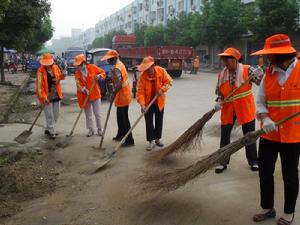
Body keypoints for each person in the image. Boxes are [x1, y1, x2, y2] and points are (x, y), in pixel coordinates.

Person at [251, 34, 300, 225]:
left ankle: (289, 212)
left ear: (281, 54)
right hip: (269, 133)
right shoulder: (268, 75)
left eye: (270, 54)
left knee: (290, 174)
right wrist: (266, 117)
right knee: (265, 171)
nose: (267, 58)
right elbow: (260, 102)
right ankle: (267, 207)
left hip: (293, 135)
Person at [214, 47, 263, 173]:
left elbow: (263, 83)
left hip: (245, 107)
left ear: (235, 60)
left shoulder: (248, 70)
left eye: (227, 60)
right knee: (225, 136)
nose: (225, 63)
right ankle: (222, 162)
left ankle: (253, 161)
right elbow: (220, 92)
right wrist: (219, 101)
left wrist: (261, 74)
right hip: (228, 109)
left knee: (249, 135)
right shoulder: (222, 75)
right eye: (223, 60)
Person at [136, 56, 172, 151]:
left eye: (148, 68)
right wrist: (142, 104)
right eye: (145, 69)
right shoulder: (143, 76)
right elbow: (140, 92)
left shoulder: (161, 71)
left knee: (159, 120)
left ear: (153, 66)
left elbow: (169, 82)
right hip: (147, 103)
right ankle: (151, 141)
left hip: (159, 101)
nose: (147, 71)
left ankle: (157, 139)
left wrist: (162, 89)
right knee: (149, 122)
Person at [101, 50, 135, 147]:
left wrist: (113, 94)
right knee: (120, 117)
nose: (108, 62)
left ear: (114, 58)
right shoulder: (118, 65)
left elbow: (119, 84)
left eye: (109, 59)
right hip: (122, 95)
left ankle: (129, 140)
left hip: (123, 95)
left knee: (124, 119)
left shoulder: (118, 67)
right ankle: (120, 135)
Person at [74, 54, 106, 137]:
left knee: (97, 113)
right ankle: (91, 129)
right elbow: (78, 85)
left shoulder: (92, 67)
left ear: (84, 63)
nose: (78, 67)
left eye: (79, 65)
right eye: (77, 65)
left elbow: (103, 73)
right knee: (88, 114)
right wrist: (84, 89)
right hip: (85, 96)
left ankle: (100, 129)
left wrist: (99, 76)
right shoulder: (77, 73)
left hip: (95, 94)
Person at [36, 53, 66, 139]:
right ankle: (52, 131)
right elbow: (39, 87)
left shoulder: (55, 67)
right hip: (46, 96)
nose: (47, 65)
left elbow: (59, 78)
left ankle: (48, 128)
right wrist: (44, 97)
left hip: (56, 93)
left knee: (56, 114)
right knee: (50, 115)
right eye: (45, 63)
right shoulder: (40, 71)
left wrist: (63, 75)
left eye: (48, 63)